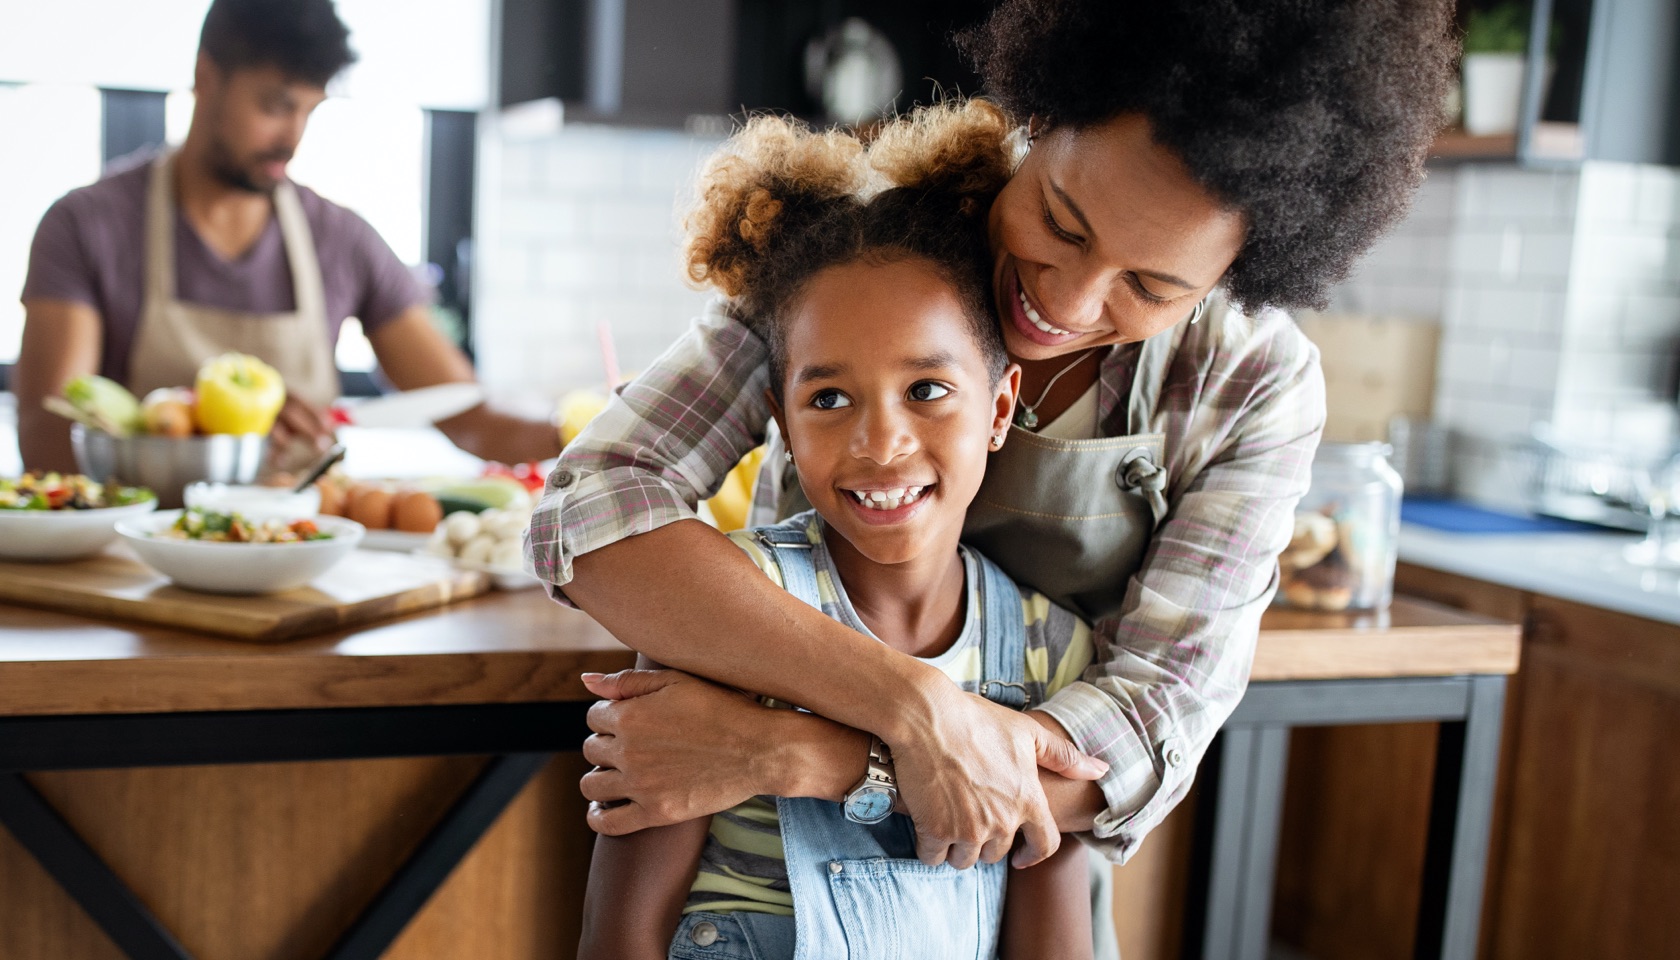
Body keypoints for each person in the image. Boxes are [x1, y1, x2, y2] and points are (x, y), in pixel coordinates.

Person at [534, 0, 1454, 952]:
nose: (1065, 297)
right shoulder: (872, 253)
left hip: (1011, 868)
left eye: (1152, 287)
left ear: (1233, 274)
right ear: (1041, 117)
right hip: (757, 847)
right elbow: (590, 507)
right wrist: (911, 704)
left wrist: (806, 754)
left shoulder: (1251, 380)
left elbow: (1148, 727)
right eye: (1061, 219)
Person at [581, 104, 1097, 960]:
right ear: (777, 419)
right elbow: (619, 939)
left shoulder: (1052, 655)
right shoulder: (716, 617)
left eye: (927, 389)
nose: (880, 443)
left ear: (1000, 408)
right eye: (827, 398)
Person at [15, 0, 561, 472]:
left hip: (300, 565)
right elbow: (47, 435)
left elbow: (467, 413)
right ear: (206, 78)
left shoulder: (342, 240)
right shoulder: (86, 224)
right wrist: (203, 432)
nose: (292, 138)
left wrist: (588, 426)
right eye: (274, 106)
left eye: (308, 111)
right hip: (132, 575)